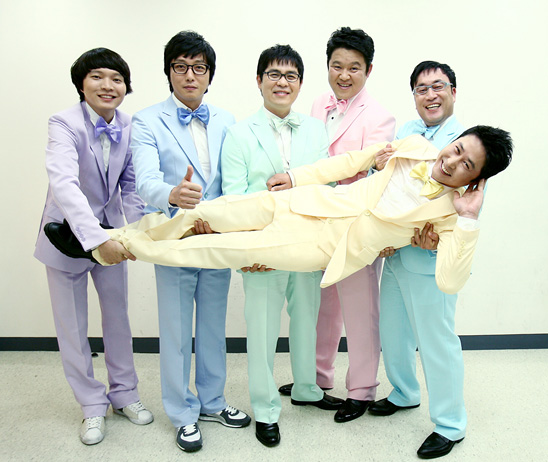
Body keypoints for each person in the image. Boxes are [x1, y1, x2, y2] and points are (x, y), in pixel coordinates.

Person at [47, 127, 512, 298]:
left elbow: (451, 283)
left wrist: (469, 220)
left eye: (467, 166)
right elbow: (348, 163)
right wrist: (297, 177)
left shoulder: (450, 216)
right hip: (302, 202)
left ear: (475, 180)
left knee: (212, 250)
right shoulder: (415, 146)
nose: (452, 162)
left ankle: (117, 248)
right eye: (458, 149)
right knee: (206, 211)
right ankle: (113, 240)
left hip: (321, 247)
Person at [129, 31, 250, 452]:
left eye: (199, 67)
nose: (190, 75)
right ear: (169, 72)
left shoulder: (227, 120)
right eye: (180, 66)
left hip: (215, 237)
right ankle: (182, 413)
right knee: (177, 331)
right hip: (175, 236)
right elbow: (145, 180)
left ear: (210, 75)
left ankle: (212, 402)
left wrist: (226, 222)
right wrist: (172, 195)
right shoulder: (147, 120)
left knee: (213, 327)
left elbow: (233, 178)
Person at [220, 44, 343, 447]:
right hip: (263, 249)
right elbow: (234, 199)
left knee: (307, 318)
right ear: (259, 81)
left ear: (300, 84)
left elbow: (325, 184)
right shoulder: (238, 134)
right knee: (262, 330)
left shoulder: (315, 130)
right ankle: (266, 409)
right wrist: (246, 251)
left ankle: (307, 388)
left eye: (290, 76)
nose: (282, 82)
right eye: (273, 74)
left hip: (307, 243)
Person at [34, 48, 153, 446]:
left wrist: (132, 233)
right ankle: (91, 404)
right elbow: (63, 183)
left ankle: (125, 394)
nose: (108, 85)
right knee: (72, 327)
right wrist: (97, 238)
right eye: (97, 76)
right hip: (67, 237)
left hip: (113, 237)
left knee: (118, 319)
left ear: (126, 87)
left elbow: (131, 186)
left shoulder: (130, 125)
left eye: (117, 78)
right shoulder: (63, 123)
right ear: (81, 84)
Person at [277, 27, 395, 423]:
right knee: (321, 306)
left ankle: (361, 390)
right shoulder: (316, 104)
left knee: (360, 311)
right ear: (327, 66)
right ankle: (316, 377)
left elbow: (366, 174)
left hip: (355, 225)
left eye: (354, 68)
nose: (344, 75)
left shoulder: (380, 117)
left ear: (369, 70)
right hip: (315, 221)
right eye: (336, 66)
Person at [368, 61, 470, 460]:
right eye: (421, 89)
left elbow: (469, 202)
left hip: (431, 255)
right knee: (393, 330)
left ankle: (450, 424)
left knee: (436, 341)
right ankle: (405, 392)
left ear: (453, 92)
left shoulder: (466, 141)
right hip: (395, 250)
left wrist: (440, 235)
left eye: (438, 86)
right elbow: (391, 183)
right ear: (413, 96)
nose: (430, 95)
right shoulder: (406, 132)